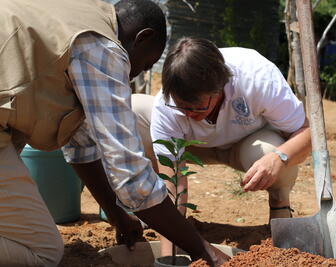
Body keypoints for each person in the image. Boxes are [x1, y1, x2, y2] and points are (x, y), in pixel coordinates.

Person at [0, 1, 227, 266]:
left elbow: (80, 144)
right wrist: (205, 251)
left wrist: (116, 214)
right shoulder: (102, 47)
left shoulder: (73, 16)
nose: (134, 75)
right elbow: (131, 179)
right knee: (43, 251)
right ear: (143, 37)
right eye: (145, 64)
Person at [131, 37, 312, 255]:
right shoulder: (168, 105)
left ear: (219, 90)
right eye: (182, 108)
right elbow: (174, 183)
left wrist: (278, 159)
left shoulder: (257, 76)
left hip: (247, 144)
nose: (188, 114)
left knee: (274, 152)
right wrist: (168, 256)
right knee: (133, 110)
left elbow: (308, 133)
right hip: (193, 146)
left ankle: (280, 208)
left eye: (196, 108)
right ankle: (153, 216)